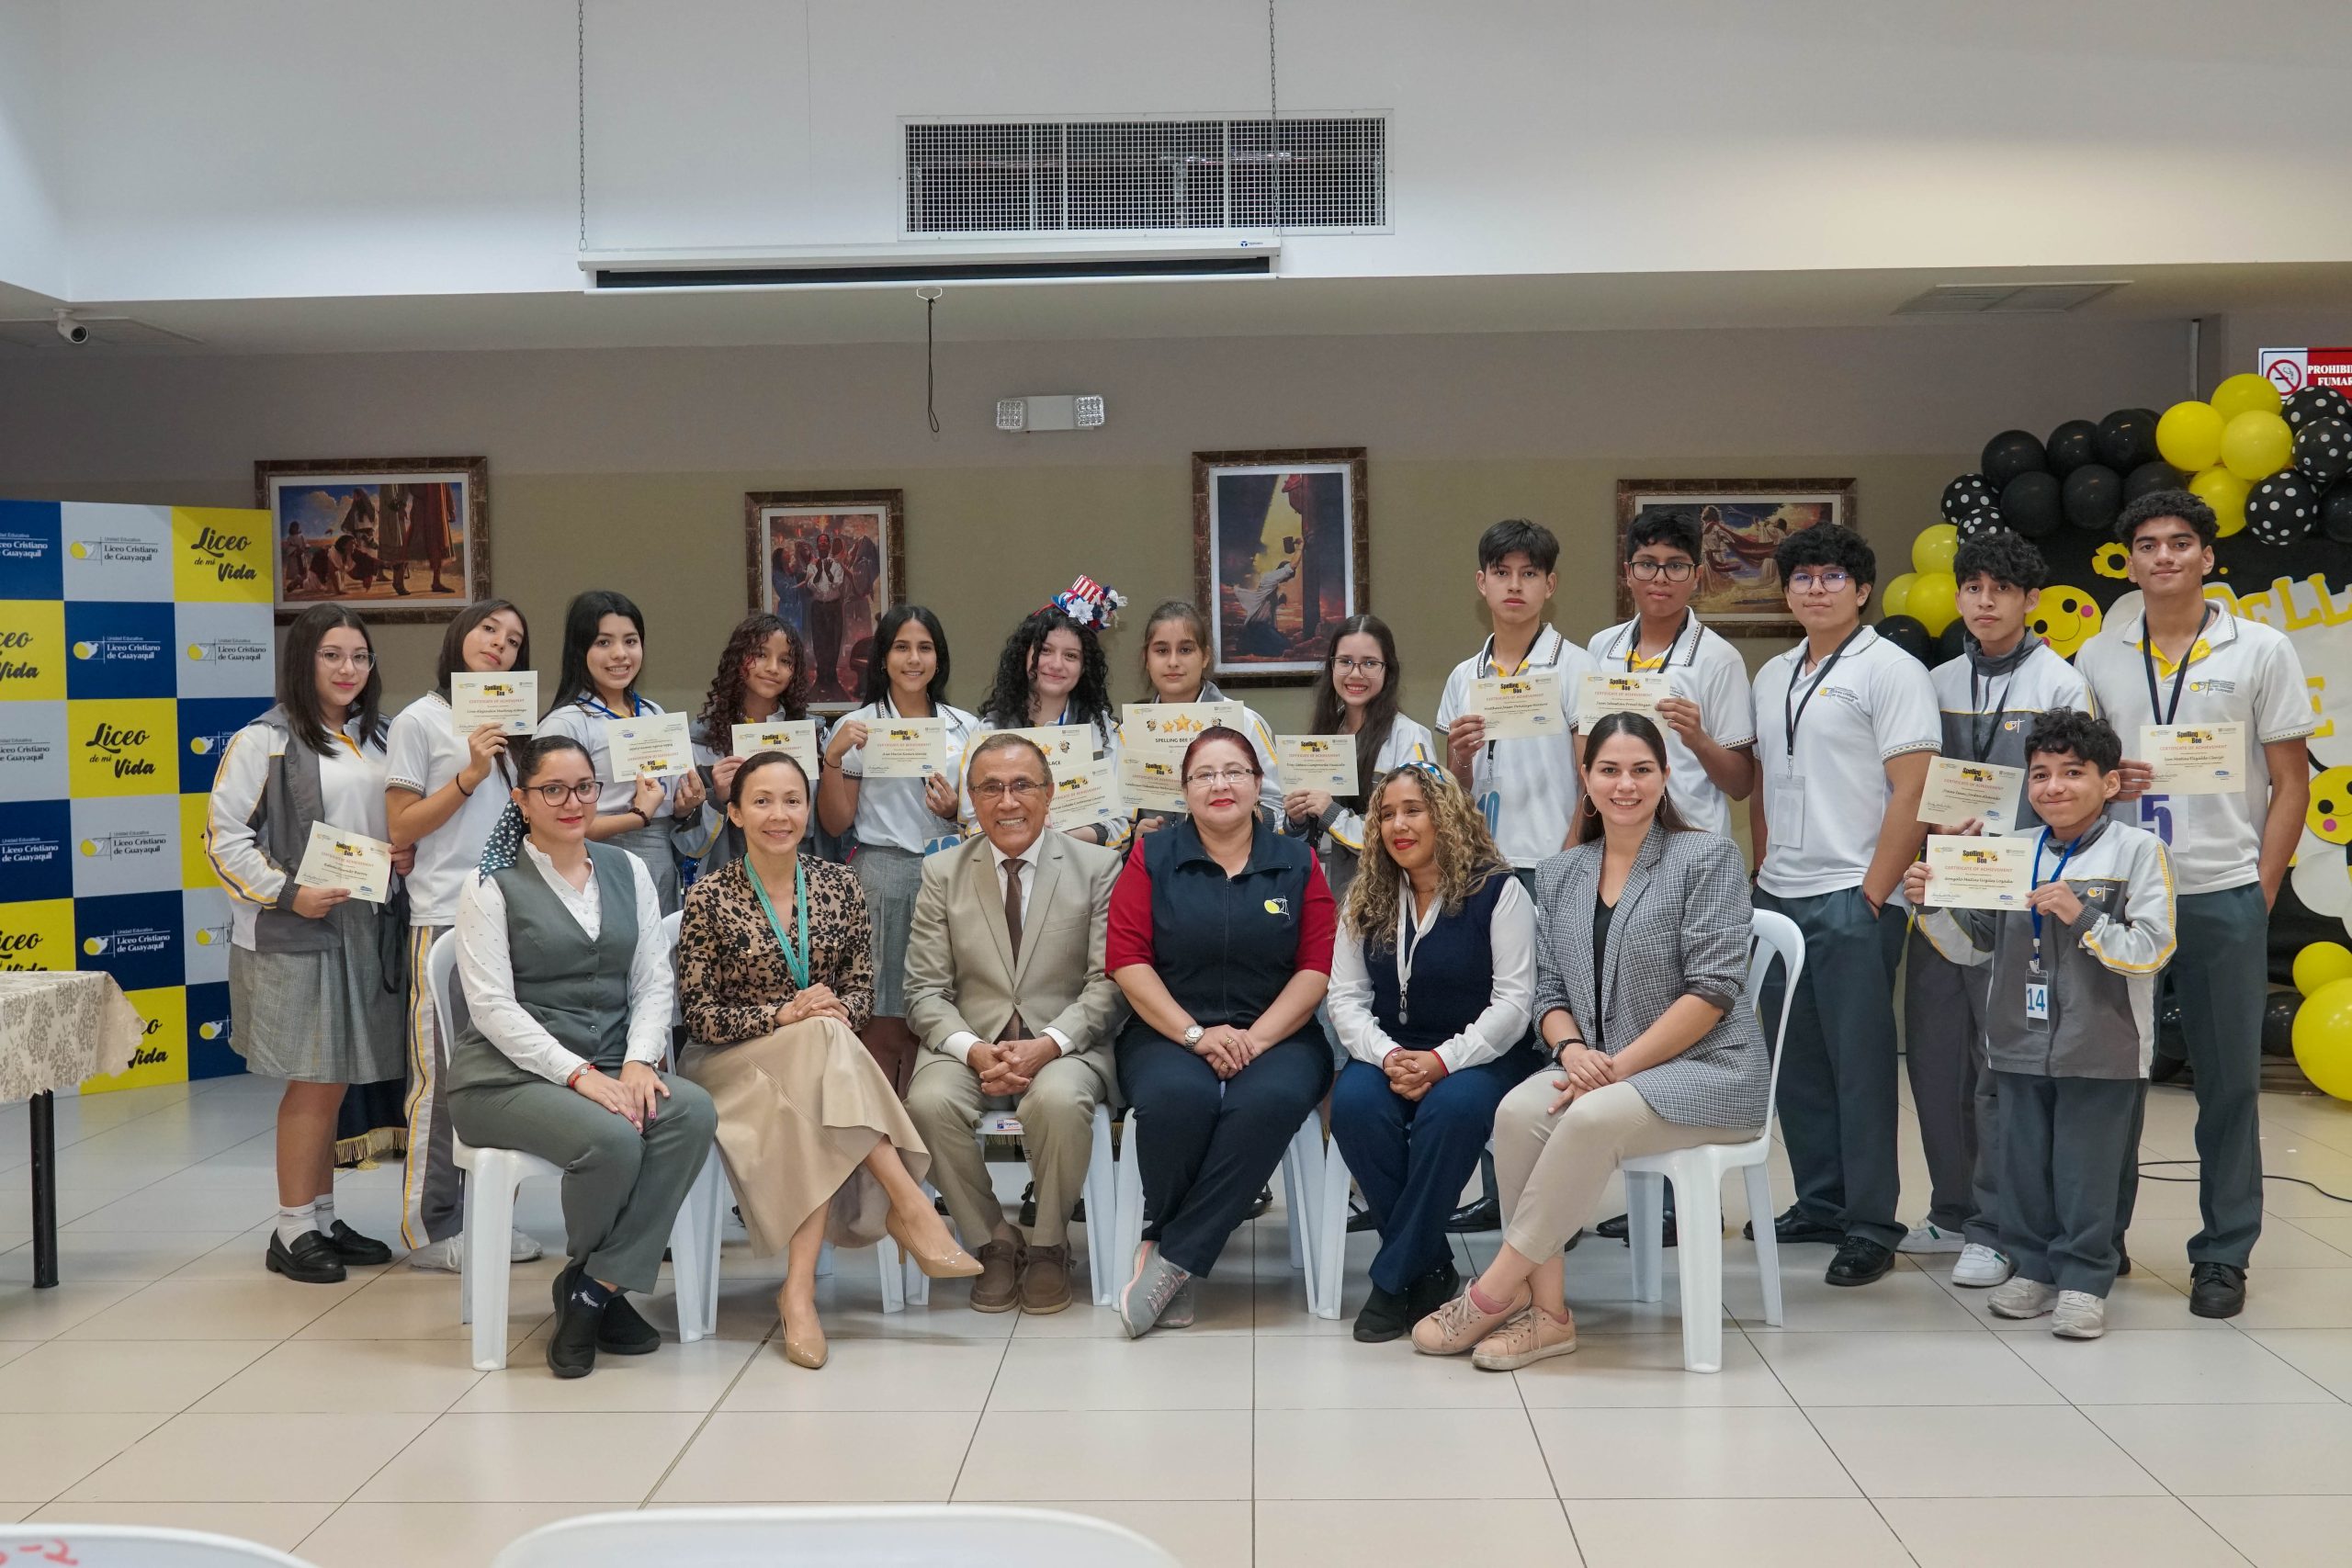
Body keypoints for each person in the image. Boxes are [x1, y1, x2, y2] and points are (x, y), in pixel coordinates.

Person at [1411, 713, 1769, 1369]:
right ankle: (1549, 1315)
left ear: (1665, 776)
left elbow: (1714, 991)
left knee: (1589, 1117)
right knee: (1517, 1111)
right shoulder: (1561, 871)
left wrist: (1615, 1069)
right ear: (1586, 777)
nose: (1625, 784)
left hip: (1708, 1069)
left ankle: (1491, 1292)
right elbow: (1548, 992)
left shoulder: (1706, 858)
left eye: (1641, 770)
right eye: (1609, 770)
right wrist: (1572, 1052)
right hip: (1598, 1065)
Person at [2073, 490, 2313, 1319]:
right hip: (2122, 896)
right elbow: (2075, 778)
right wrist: (2110, 784)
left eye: (2181, 542)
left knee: (2229, 1085)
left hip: (2220, 893)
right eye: (2147, 544)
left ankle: (2222, 1254)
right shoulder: (2098, 655)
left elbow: (2291, 781)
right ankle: (2099, 1242)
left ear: (2208, 556)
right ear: (2129, 562)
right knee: (2111, 1079)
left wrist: (2261, 888)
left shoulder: (2262, 648)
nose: (2164, 556)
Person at [678, 750, 980, 1369]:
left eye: (792, 800)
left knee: (820, 1059)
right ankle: (910, 1205)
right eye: (762, 801)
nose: (779, 814)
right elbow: (699, 1014)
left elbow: (862, 993)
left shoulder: (839, 886)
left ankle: (798, 1292)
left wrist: (830, 1010)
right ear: (735, 813)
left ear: (809, 808)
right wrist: (783, 1014)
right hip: (728, 1063)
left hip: (816, 1062)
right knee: (821, 1041)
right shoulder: (710, 895)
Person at [444, 736, 719, 1379]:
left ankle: (593, 1288)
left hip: (610, 1064)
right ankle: (603, 1293)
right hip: (503, 1080)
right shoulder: (489, 884)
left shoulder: (626, 871)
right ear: (522, 800)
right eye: (553, 790)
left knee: (692, 1113)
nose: (573, 802)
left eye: (585, 787)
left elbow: (652, 979)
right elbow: (492, 1009)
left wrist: (640, 1060)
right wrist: (579, 1074)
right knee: (613, 1138)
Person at [1907, 711, 2176, 1340]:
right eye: (2040, 774)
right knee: (2022, 1165)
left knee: (2088, 1170)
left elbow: (2153, 948)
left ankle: (2083, 1280)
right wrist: (1932, 904)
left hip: (2103, 1046)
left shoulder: (2139, 851)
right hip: (2016, 1041)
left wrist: (2083, 916)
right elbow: (1974, 947)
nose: (2054, 786)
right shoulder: (2012, 851)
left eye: (2073, 773)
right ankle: (2031, 1268)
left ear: (2110, 783)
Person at [1899, 529, 2091, 1290]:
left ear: (2031, 600)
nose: (1985, 602)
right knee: (1937, 1053)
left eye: (2002, 590)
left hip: (2021, 892)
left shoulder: (2061, 683)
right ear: (1957, 596)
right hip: (1943, 885)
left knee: (2004, 1060)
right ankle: (1951, 1208)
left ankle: (2005, 1221)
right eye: (1973, 588)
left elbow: (2076, 791)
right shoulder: (1934, 679)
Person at [1748, 523, 1939, 1287]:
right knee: (1795, 1062)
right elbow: (1766, 782)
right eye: (1802, 577)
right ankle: (1821, 1200)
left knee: (1859, 1065)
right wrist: (1762, 869)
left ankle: (1869, 1221)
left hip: (1853, 891)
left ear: (1861, 590)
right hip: (1780, 892)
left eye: (1833, 576)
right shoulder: (1774, 673)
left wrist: (1874, 892)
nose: (1816, 588)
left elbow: (1914, 789)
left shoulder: (1891, 669)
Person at [206, 605, 413, 1284]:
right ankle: (291, 1227)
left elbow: (396, 821)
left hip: (366, 923)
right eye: (332, 655)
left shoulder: (380, 736)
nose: (349, 668)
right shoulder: (262, 739)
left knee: (337, 1075)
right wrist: (287, 892)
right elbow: (224, 840)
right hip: (295, 926)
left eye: (360, 655)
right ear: (303, 660)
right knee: (316, 1077)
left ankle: (321, 1216)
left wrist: (403, 854)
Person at [1107, 727, 1336, 1337]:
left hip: (1279, 1035)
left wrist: (1255, 1040)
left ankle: (1172, 1254)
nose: (1220, 784)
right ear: (1184, 790)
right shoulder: (1152, 856)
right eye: (1204, 774)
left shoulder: (1297, 860)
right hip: (1168, 1031)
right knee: (1175, 1099)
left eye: (1235, 771)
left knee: (1269, 1100)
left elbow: (1316, 967)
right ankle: (1178, 1252)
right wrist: (1195, 1036)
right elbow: (1127, 960)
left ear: (1259, 784)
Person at [903, 733, 1126, 1314]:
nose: (1008, 802)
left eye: (1023, 785)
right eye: (990, 788)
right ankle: (993, 1239)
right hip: (968, 1044)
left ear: (1050, 794)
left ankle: (1049, 1244)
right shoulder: (942, 872)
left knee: (1059, 1102)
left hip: (1066, 1045)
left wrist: (1048, 1045)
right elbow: (924, 992)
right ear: (971, 801)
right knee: (926, 1104)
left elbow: (1109, 984)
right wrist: (974, 1050)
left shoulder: (1099, 867)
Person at [1328, 762, 1541, 1342]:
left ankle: (1391, 1279)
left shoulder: (1498, 892)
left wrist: (1443, 1061)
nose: (1398, 825)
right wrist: (1386, 1055)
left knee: (1453, 1111)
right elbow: (1345, 998)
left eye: (1413, 810)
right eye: (1386, 814)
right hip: (1392, 1052)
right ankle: (1430, 1265)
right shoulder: (1366, 897)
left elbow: (1514, 1004)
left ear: (1446, 817)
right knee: (1354, 1107)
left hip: (1483, 1054)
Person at [383, 598, 544, 1272]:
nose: (500, 645)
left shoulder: (517, 728)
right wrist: (470, 774)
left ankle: (490, 1218)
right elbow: (402, 826)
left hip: (510, 917)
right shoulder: (420, 720)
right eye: (488, 630)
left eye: (514, 640)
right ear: (460, 635)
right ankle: (432, 1228)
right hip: (444, 918)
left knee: (505, 1074)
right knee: (443, 1080)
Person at [818, 604, 982, 1095]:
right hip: (882, 875)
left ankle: (928, 1122)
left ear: (939, 657)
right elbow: (836, 822)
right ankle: (884, 1128)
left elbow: (985, 816)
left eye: (924, 648)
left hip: (952, 871)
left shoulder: (966, 727)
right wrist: (832, 759)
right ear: (883, 658)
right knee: (883, 1016)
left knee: (937, 1014)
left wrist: (955, 812)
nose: (914, 659)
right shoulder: (857, 725)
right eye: (901, 647)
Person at [1438, 519, 1600, 881]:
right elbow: (1456, 790)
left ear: (1550, 585)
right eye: (1501, 572)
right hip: (1478, 863)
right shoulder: (1462, 676)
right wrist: (1461, 757)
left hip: (1551, 860)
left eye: (1529, 573)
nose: (1514, 585)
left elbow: (1592, 777)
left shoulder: (1577, 666)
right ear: (1482, 582)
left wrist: (1570, 856)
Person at [536, 590, 707, 915]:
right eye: (603, 642)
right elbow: (550, 823)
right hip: (594, 863)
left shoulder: (654, 713)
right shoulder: (564, 724)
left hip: (661, 862)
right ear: (580, 649)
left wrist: (685, 806)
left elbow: (669, 806)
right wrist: (637, 817)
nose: (620, 654)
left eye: (630, 641)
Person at [1283, 614, 1434, 901]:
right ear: (1332, 666)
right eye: (1345, 662)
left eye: (1369, 663)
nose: (1355, 674)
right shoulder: (1321, 738)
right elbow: (1305, 842)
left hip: (1391, 898)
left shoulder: (1410, 738)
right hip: (1328, 897)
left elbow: (1415, 831)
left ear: (1388, 670)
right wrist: (1296, 820)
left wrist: (1331, 814)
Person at [974, 589, 1125, 848]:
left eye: (1071, 656)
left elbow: (1120, 825)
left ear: (1084, 667)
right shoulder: (990, 730)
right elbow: (972, 821)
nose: (1056, 664)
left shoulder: (1103, 732)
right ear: (1024, 654)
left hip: (1083, 863)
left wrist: (1062, 836)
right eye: (1045, 650)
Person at [1129, 599, 1283, 831]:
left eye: (1185, 650)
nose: (1173, 662)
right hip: (1156, 852)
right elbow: (1117, 815)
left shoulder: (1244, 722)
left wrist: (1240, 821)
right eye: (1161, 651)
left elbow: (1277, 804)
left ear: (1205, 657)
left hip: (1234, 851)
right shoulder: (1130, 731)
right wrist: (1134, 833)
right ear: (1146, 659)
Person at [680, 612, 815, 877]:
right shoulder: (702, 739)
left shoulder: (810, 735)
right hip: (726, 877)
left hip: (797, 875)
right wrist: (718, 798)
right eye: (760, 655)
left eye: (785, 660)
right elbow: (691, 844)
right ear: (737, 660)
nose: (773, 668)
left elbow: (816, 827)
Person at [807, 534, 849, 701]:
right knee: (819, 642)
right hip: (818, 607)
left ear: (829, 545)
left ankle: (831, 677)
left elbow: (838, 583)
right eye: (820, 541)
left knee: (833, 641)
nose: (823, 543)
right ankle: (821, 676)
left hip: (833, 607)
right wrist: (819, 570)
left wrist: (828, 572)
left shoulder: (836, 565)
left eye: (825, 541)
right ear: (817, 546)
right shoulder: (812, 565)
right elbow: (811, 586)